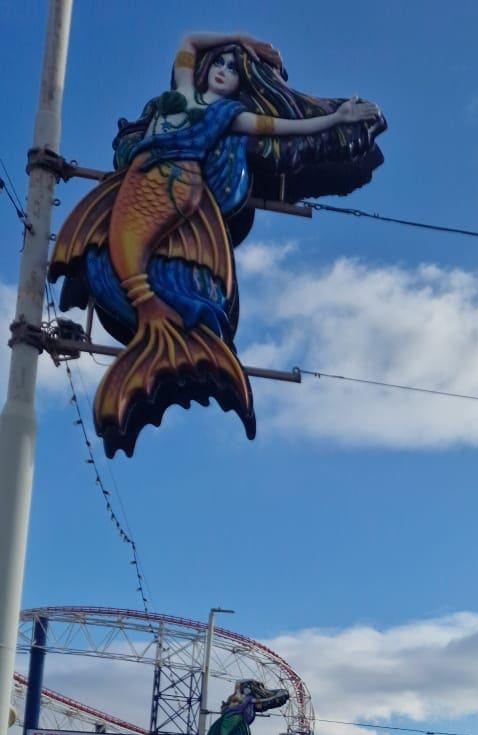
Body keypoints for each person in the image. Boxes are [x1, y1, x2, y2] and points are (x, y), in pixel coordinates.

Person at [49, 31, 385, 457]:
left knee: (140, 245)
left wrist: (337, 119)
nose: (224, 72)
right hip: (136, 184)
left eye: (233, 69)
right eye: (220, 63)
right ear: (206, 69)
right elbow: (188, 41)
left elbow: (285, 127)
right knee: (110, 243)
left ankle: (170, 329)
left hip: (179, 190)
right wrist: (244, 41)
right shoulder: (183, 92)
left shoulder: (230, 115)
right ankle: (148, 309)